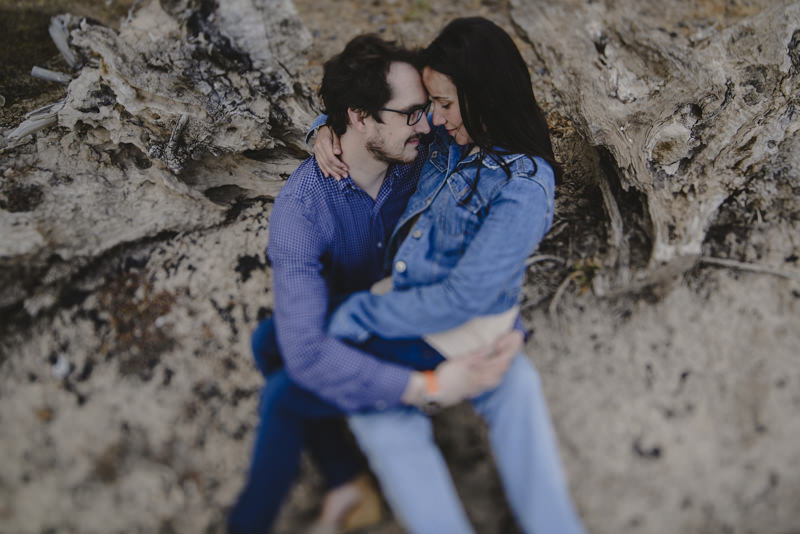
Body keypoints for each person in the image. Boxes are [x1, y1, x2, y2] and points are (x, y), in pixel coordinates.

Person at [227, 34, 522, 534]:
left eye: (427, 110)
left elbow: (491, 126)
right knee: (271, 343)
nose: (428, 124)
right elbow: (306, 351)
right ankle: (346, 480)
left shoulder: (425, 155)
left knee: (280, 393)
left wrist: (324, 125)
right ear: (360, 115)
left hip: (422, 315)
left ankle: (312, 497)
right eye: (411, 113)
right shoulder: (302, 208)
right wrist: (423, 388)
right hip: (362, 317)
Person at [312, 17, 586, 534]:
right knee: (506, 380)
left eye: (444, 103)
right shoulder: (446, 143)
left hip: (447, 323)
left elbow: (467, 294)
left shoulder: (524, 183)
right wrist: (326, 131)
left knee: (372, 393)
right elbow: (374, 108)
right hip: (422, 316)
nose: (433, 119)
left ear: (484, 93)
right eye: (430, 104)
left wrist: (359, 313)